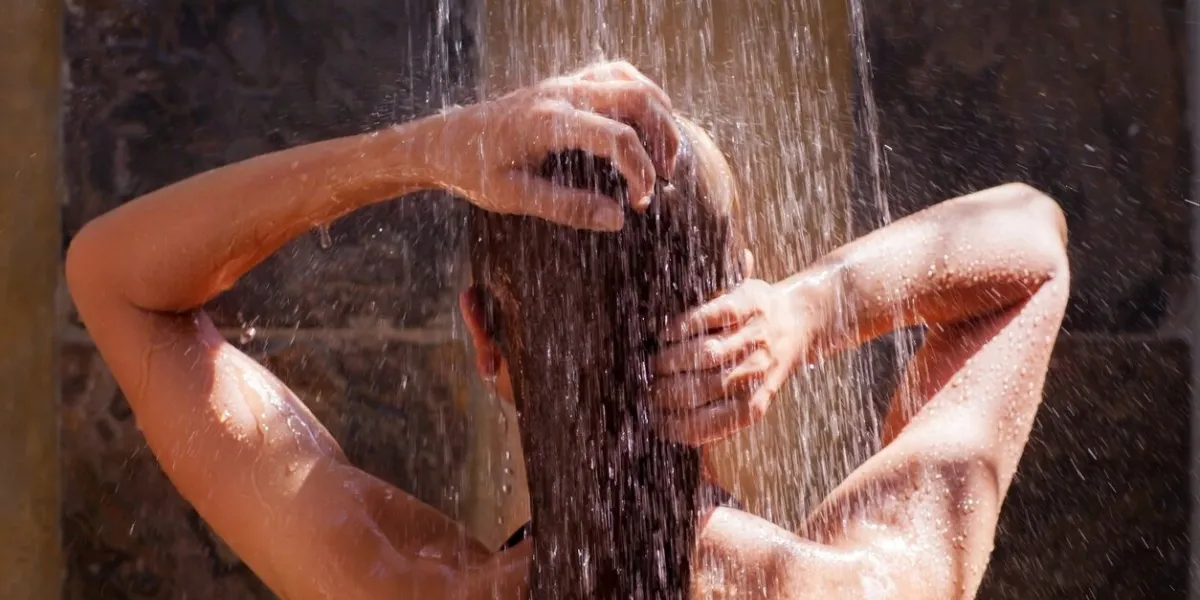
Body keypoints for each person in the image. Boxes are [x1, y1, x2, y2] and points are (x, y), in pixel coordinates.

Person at [66, 61, 1070, 599]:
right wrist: (813, 308)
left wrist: (424, 150)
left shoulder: (391, 583)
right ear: (734, 310)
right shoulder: (860, 589)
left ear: (485, 339)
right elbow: (1031, 243)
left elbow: (116, 280)